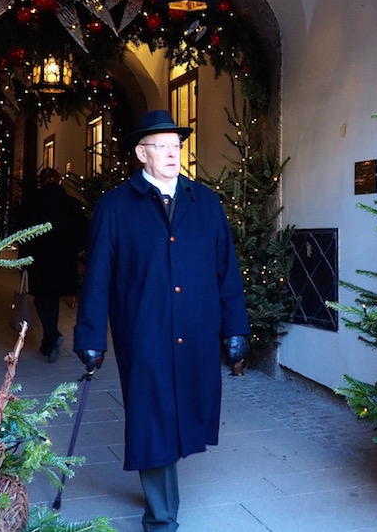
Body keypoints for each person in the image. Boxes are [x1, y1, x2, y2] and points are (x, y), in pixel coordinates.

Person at [74, 110, 250, 532]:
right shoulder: (115, 207)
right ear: (141, 154)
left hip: (196, 330)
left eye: (176, 146)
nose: (172, 153)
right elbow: (97, 277)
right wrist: (90, 335)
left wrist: (237, 328)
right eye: (162, 146)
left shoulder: (204, 203)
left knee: (183, 409)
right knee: (151, 414)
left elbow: (227, 271)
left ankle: (163, 498)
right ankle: (160, 516)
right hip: (145, 331)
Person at [19, 167, 89, 362]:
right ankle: (48, 342)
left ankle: (52, 336)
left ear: (41, 182)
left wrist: (22, 261)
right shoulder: (72, 205)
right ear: (59, 182)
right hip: (64, 261)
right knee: (53, 299)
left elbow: (25, 234)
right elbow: (84, 233)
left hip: (39, 261)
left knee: (42, 299)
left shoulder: (34, 203)